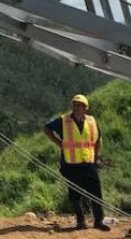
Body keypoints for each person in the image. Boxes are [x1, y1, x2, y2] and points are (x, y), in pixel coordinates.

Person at [44, 94, 111, 231]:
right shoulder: (63, 120)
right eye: (75, 105)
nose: (76, 108)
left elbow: (98, 139)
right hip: (71, 164)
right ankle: (80, 221)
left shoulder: (92, 121)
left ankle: (99, 221)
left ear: (85, 108)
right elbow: (47, 128)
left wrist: (97, 156)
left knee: (96, 193)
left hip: (88, 162)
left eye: (80, 106)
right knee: (75, 194)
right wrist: (58, 143)